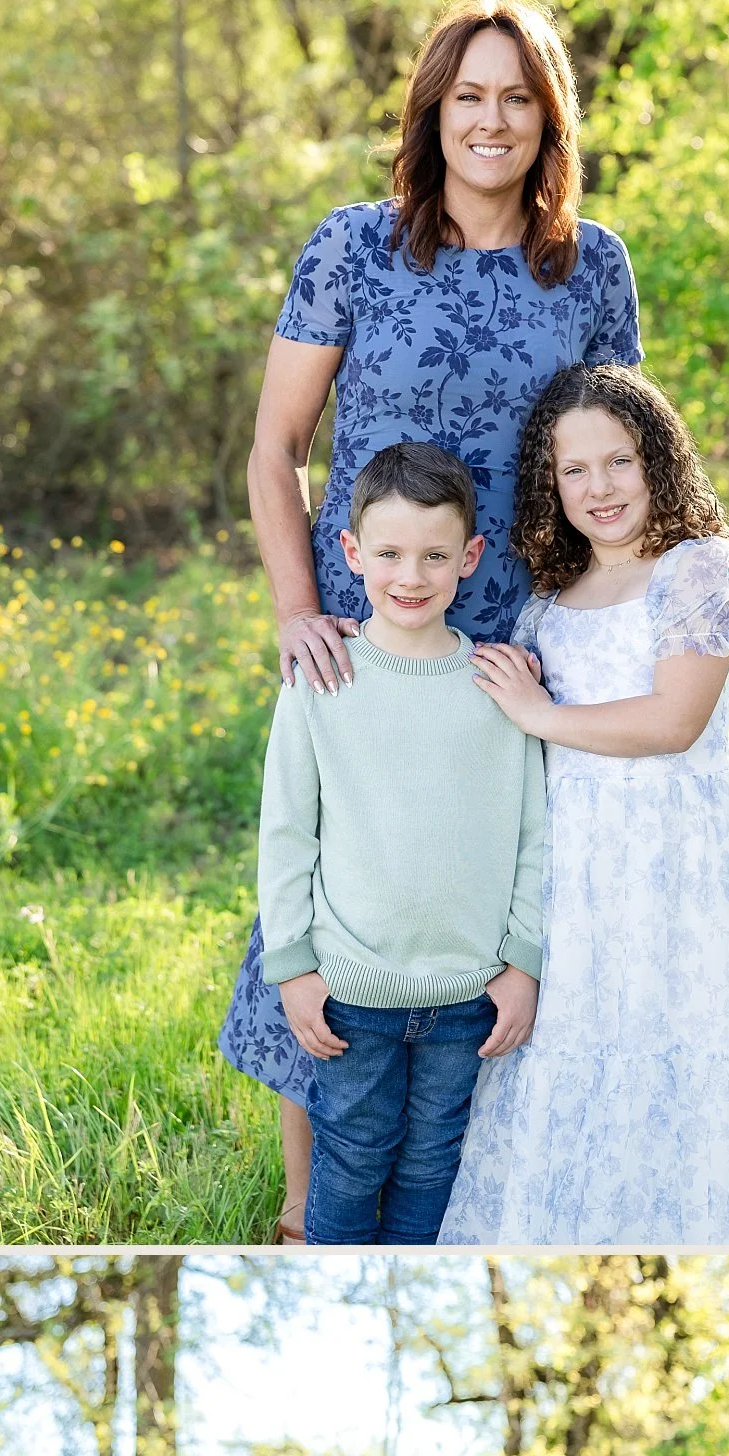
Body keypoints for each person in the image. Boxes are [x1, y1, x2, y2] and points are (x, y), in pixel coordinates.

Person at [221, 0, 642, 1239]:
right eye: (470, 95)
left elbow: (618, 461)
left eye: (518, 97)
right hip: (367, 625)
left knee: (499, 894)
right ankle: (308, 1207)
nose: (492, 119)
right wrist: (300, 609)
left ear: (547, 118)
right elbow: (275, 445)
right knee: (340, 882)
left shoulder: (592, 264)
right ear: (433, 110)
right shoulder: (355, 247)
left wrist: (637, 611)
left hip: (520, 642)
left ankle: (487, 1192)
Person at [442, 369, 729, 1252]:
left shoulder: (699, 567)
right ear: (551, 483)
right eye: (574, 471)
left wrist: (542, 715)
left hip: (675, 848)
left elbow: (673, 720)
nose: (600, 488)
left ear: (658, 460)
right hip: (574, 859)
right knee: (572, 1043)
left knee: (672, 1035)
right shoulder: (549, 600)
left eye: (619, 461)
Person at [255, 446, 543, 1240]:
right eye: (388, 553)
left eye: (434, 555)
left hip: (466, 994)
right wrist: (294, 968)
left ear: (470, 558)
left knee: (431, 1162)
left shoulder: (498, 686)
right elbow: (285, 834)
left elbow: (533, 837)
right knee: (352, 1155)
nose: (410, 575)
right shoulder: (321, 678)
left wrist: (523, 964)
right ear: (352, 554)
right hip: (352, 991)